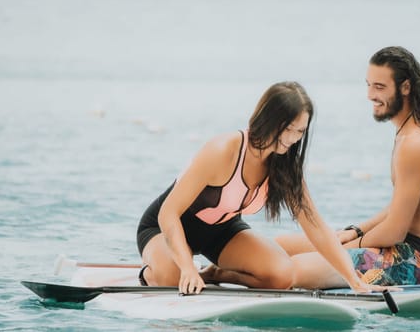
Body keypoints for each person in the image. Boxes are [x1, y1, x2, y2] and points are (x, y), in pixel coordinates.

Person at [136, 81, 388, 294]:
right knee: (171, 280)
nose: (292, 138)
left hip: (220, 232)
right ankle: (152, 273)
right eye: (287, 128)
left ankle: (215, 274)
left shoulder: (286, 168)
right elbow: (167, 213)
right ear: (268, 119)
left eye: (299, 131)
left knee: (282, 275)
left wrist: (355, 281)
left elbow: (317, 228)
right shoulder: (223, 150)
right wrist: (187, 268)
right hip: (165, 227)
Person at [276, 46, 420, 289]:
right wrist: (354, 231)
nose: (370, 95)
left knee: (292, 268)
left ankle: (218, 275)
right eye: (369, 85)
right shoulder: (414, 128)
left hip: (417, 262)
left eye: (380, 87)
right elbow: (400, 206)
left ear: (406, 87)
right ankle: (216, 271)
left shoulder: (415, 143)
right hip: (397, 248)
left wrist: (341, 248)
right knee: (278, 246)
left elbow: (394, 231)